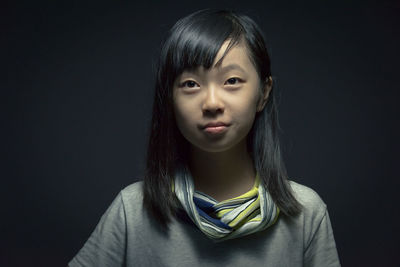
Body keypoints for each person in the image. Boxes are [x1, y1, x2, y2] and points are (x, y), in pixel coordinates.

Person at [68, 9, 341, 267]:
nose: (211, 102)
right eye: (190, 84)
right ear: (169, 99)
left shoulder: (306, 213)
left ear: (264, 92)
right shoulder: (132, 210)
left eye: (232, 80)